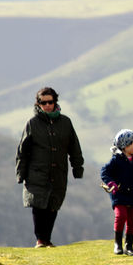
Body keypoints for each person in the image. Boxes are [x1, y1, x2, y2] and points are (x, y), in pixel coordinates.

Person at [16, 87, 84, 248]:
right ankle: (40, 240)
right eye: (43, 102)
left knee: (53, 205)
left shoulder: (66, 122)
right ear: (38, 104)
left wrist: (78, 168)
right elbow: (22, 151)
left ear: (55, 102)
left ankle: (47, 239)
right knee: (39, 205)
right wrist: (20, 174)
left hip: (58, 172)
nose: (47, 105)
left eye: (50, 102)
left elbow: (74, 147)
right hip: (37, 173)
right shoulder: (32, 123)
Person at [100, 129, 133, 256]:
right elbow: (104, 172)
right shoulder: (116, 160)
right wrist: (110, 182)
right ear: (125, 145)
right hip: (119, 194)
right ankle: (117, 244)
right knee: (121, 216)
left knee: (132, 220)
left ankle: (129, 246)